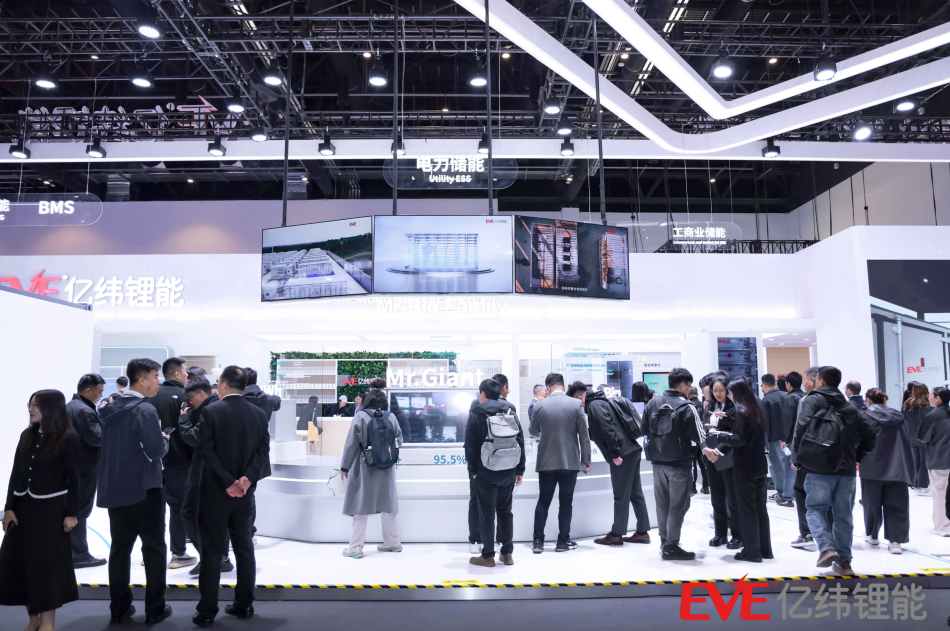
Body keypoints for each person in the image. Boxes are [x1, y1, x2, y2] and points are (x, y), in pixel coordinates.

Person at [193, 366, 270, 628]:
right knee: (244, 547)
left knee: (212, 552)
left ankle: (207, 611)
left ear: (224, 384)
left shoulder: (212, 410)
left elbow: (206, 450)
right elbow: (263, 451)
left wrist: (228, 482)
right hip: (245, 494)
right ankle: (244, 604)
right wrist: (246, 479)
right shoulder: (258, 413)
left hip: (216, 492)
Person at [97, 358, 171, 625]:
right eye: (155, 376)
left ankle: (119, 608)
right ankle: (155, 609)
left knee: (120, 549)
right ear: (142, 380)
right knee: (154, 549)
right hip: (145, 488)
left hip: (116, 488)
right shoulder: (145, 410)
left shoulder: (108, 409)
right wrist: (164, 440)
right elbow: (155, 450)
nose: (158, 382)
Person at [0, 390, 81, 628]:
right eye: (30, 404)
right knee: (20, 565)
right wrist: (8, 509)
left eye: (36, 405)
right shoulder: (27, 435)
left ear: (51, 408)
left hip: (51, 512)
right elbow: (16, 474)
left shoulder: (68, 437)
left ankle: (47, 624)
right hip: (22, 510)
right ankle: (33, 620)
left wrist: (71, 513)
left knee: (45, 568)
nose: (30, 409)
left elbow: (75, 479)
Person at [791, 365, 876, 573]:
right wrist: (857, 456)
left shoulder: (812, 400)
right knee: (844, 516)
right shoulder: (850, 407)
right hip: (846, 469)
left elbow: (801, 427)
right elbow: (870, 434)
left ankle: (826, 548)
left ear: (820, 381)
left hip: (818, 466)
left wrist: (797, 456)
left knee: (815, 509)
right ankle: (844, 562)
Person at [641, 367, 708, 561]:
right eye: (689, 386)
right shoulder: (687, 406)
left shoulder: (653, 403)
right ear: (683, 385)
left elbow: (643, 430)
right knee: (678, 506)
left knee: (662, 505)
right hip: (679, 464)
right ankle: (671, 546)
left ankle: (665, 542)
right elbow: (700, 435)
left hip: (657, 463)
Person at [705, 377, 771, 563]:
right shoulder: (755, 409)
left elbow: (738, 439)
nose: (729, 396)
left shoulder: (741, 411)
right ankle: (765, 550)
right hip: (759, 466)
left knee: (746, 510)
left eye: (730, 392)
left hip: (745, 468)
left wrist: (720, 435)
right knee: (760, 509)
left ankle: (751, 552)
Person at [465, 378, 525, 568]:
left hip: (486, 471)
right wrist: (520, 469)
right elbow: (520, 441)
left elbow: (470, 445)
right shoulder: (510, 411)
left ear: (482, 394)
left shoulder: (477, 412)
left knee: (487, 514)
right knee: (505, 512)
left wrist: (473, 471)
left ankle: (488, 556)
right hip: (508, 470)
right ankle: (507, 553)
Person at [529, 373, 591, 553]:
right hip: (569, 461)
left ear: (548, 388)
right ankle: (562, 542)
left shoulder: (539, 405)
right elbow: (584, 436)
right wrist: (586, 460)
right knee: (566, 502)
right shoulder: (576, 404)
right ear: (563, 387)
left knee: (543, 500)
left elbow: (533, 431)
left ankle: (538, 542)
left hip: (546, 461)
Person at [583, 383, 651, 547]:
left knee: (621, 495)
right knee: (635, 493)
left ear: (581, 397)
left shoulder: (594, 404)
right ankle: (642, 532)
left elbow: (607, 428)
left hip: (622, 454)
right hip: (632, 450)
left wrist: (614, 453)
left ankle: (616, 534)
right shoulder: (605, 402)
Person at [339, 388, 403, 559]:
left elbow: (351, 444)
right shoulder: (391, 416)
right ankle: (393, 542)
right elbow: (399, 440)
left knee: (361, 505)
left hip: (364, 467)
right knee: (388, 505)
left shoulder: (361, 416)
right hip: (386, 467)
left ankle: (355, 547)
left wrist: (344, 467)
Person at [178, 378, 232, 578]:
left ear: (202, 393)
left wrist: (183, 419)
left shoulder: (210, 410)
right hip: (213, 471)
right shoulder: (217, 407)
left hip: (204, 471)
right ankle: (220, 558)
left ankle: (213, 557)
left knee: (189, 512)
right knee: (213, 517)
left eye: (191, 397)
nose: (189, 401)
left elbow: (194, 438)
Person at [147, 357, 197, 570]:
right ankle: (178, 553)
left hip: (153, 463)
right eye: (185, 371)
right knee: (178, 509)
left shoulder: (150, 397)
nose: (187, 375)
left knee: (154, 510)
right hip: (180, 461)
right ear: (177, 374)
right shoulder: (187, 397)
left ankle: (150, 553)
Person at [860, 388, 914, 554]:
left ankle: (872, 535)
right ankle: (895, 541)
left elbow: (860, 441)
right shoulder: (899, 418)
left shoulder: (865, 417)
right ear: (885, 401)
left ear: (868, 401)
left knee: (871, 504)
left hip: (871, 467)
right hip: (897, 466)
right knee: (897, 504)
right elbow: (907, 441)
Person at [66, 373, 108, 569]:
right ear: (88, 390)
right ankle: (80, 554)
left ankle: (73, 552)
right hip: (85, 469)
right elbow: (98, 438)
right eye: (99, 392)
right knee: (80, 512)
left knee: (75, 510)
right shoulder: (83, 410)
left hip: (78, 467)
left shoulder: (72, 406)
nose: (101, 396)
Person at [787, 368, 825, 549]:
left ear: (815, 380)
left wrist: (795, 456)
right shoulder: (837, 400)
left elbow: (799, 429)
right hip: (829, 457)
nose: (803, 383)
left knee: (801, 491)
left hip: (808, 455)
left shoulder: (806, 401)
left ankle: (806, 533)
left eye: (805, 379)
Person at [703, 375, 742, 550]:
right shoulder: (709, 406)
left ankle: (737, 535)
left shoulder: (735, 408)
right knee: (716, 496)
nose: (718, 394)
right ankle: (720, 533)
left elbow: (736, 433)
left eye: (721, 390)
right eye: (715, 390)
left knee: (732, 497)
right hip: (710, 453)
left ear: (728, 390)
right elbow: (703, 430)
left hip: (727, 454)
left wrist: (718, 451)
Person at [242, 368, 279, 544]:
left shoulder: (237, 400)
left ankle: (241, 533)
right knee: (250, 494)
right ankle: (249, 532)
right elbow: (277, 401)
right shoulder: (269, 400)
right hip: (259, 453)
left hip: (238, 451)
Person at [917, 386, 950, 536]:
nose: (928, 398)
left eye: (930, 395)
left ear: (937, 398)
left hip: (939, 460)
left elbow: (922, 437)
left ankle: (943, 527)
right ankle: (939, 523)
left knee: (940, 494)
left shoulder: (933, 415)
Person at [761, 374, 792, 507]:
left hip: (774, 439)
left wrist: (765, 442)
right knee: (789, 466)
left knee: (776, 467)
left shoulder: (766, 400)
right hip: (789, 438)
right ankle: (789, 492)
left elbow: (765, 423)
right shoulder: (787, 395)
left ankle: (781, 493)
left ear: (764, 385)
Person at [903, 382, 932, 495]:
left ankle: (916, 483)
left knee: (916, 461)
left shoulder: (906, 405)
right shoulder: (927, 406)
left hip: (911, 437)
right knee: (924, 462)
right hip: (925, 437)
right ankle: (923, 486)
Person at [687, 386, 708, 496]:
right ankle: (706, 486)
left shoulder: (688, 406)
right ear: (698, 394)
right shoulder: (703, 404)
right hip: (703, 438)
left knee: (693, 463)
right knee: (703, 462)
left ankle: (693, 487)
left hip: (692, 438)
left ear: (688, 394)